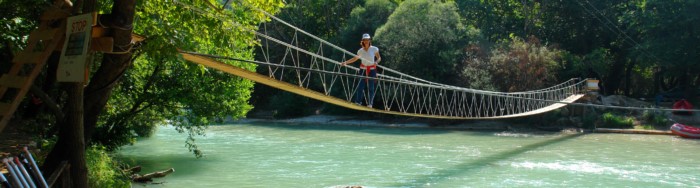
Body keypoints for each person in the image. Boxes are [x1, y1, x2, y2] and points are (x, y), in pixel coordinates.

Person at [342, 33, 382, 108]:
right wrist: (345, 62)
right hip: (363, 69)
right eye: (365, 40)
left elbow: (379, 58)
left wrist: (376, 62)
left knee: (371, 87)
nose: (366, 41)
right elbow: (355, 58)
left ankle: (370, 103)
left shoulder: (374, 49)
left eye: (367, 40)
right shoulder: (360, 51)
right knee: (360, 86)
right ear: (362, 41)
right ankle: (358, 102)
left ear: (370, 40)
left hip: (372, 69)